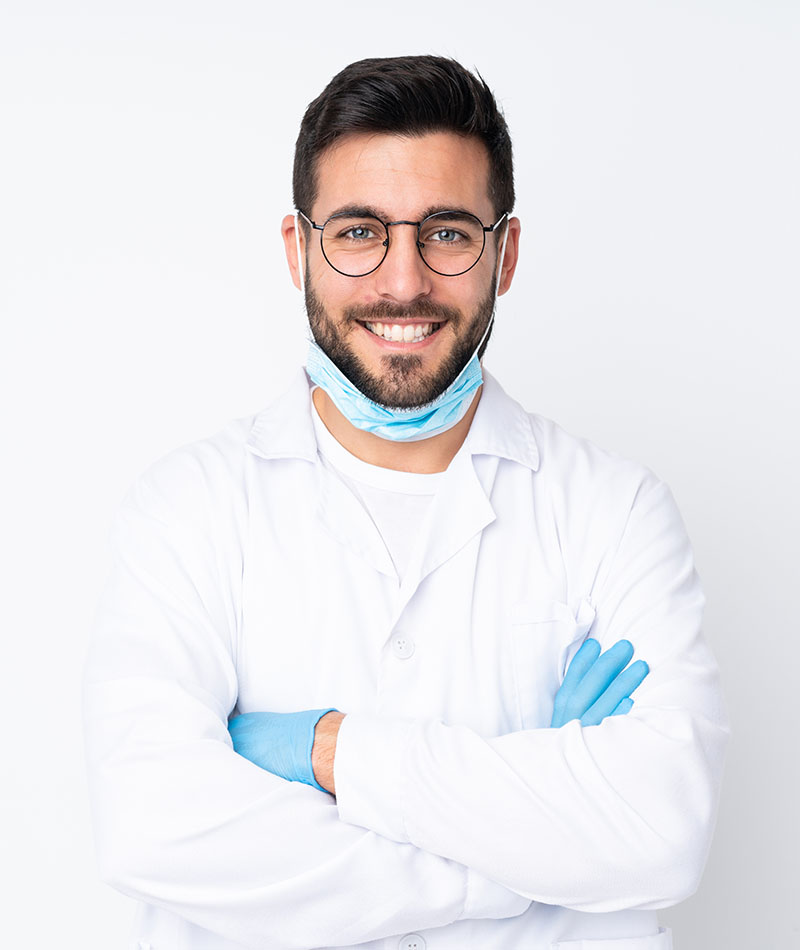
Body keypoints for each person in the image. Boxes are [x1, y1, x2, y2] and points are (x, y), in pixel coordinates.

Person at [83, 55, 728, 950]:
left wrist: (333, 751)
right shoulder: (188, 508)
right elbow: (155, 826)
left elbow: (661, 834)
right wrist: (522, 850)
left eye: (448, 233)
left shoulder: (614, 513)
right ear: (296, 248)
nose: (402, 282)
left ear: (503, 255)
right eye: (357, 232)